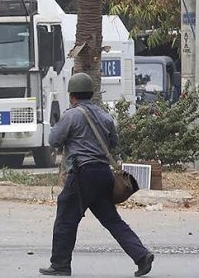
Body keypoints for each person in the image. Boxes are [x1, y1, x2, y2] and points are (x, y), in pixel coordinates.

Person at [40, 73, 154, 277]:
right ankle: (141, 255)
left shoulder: (71, 115)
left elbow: (54, 140)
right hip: (103, 174)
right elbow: (114, 143)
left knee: (66, 218)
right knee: (111, 219)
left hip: (83, 174)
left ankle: (60, 265)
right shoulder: (104, 115)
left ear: (72, 95)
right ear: (91, 94)